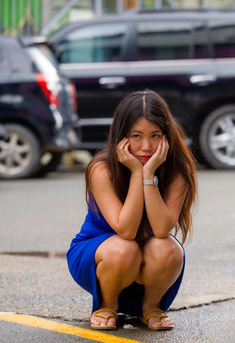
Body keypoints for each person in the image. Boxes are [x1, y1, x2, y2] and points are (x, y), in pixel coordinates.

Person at [67, 90, 197, 331]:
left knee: (169, 248)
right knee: (124, 248)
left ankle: (151, 307)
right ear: (122, 136)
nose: (146, 146)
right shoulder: (101, 169)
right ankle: (107, 305)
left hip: (146, 260)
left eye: (155, 135)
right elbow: (126, 230)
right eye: (136, 136)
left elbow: (160, 229)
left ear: (166, 136)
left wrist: (149, 176)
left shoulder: (177, 169)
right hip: (100, 257)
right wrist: (136, 173)